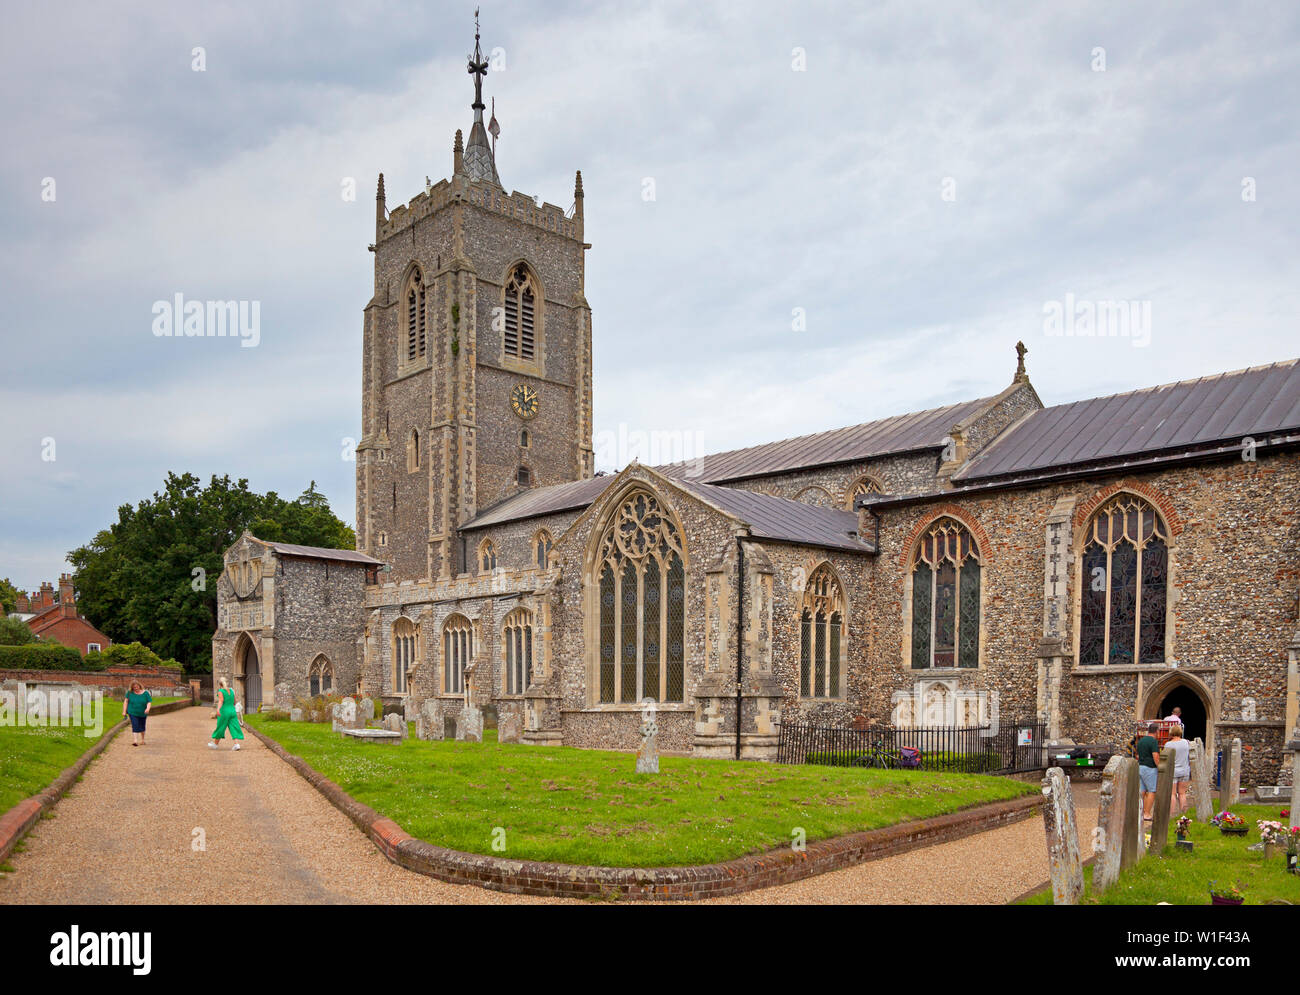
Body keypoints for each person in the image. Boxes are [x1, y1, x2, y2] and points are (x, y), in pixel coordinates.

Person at [209, 677, 244, 751]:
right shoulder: (231, 690)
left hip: (224, 712)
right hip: (232, 711)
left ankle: (215, 744)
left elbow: (221, 701)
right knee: (233, 727)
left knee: (220, 727)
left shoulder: (220, 691)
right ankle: (236, 744)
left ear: (220, 684)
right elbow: (234, 702)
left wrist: (218, 709)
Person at [1137, 721, 1161, 822]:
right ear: (1156, 731)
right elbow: (1155, 756)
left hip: (1140, 766)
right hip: (1150, 768)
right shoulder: (1153, 742)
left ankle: (1139, 812)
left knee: (1142, 791)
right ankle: (1146, 814)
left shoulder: (1141, 741)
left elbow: (1138, 755)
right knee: (1152, 791)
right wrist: (1159, 766)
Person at [1165, 723, 1192, 814]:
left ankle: (1171, 815)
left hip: (1173, 771)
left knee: (1172, 794)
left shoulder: (1168, 744)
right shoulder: (1186, 742)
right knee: (1182, 793)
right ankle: (1184, 814)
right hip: (1184, 770)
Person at [123, 681, 152, 747]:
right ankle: (135, 741)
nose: (136, 688)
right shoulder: (129, 693)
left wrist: (147, 709)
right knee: (135, 724)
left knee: (142, 726)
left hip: (142, 713)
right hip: (132, 712)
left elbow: (149, 702)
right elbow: (126, 702)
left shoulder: (146, 693)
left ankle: (142, 740)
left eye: (137, 687)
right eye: (134, 687)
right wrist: (124, 711)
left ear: (140, 686)